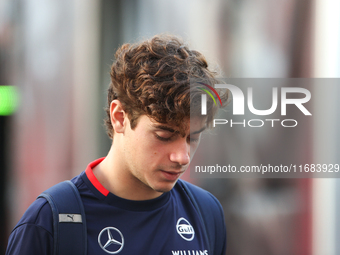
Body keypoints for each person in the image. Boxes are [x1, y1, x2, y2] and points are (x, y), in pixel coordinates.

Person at [6, 34, 227, 255]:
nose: (182, 157)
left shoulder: (206, 212)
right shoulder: (50, 220)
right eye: (164, 135)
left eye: (193, 138)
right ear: (119, 117)